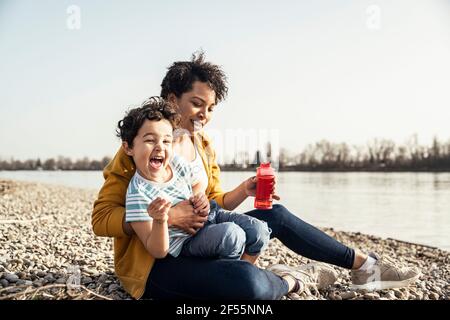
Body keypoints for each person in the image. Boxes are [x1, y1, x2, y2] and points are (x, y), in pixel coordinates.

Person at [92, 52, 420, 300]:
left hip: (202, 237)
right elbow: (101, 218)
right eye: (196, 103)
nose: (204, 114)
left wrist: (244, 190)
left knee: (273, 214)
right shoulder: (142, 151)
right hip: (159, 263)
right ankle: (293, 279)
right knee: (245, 284)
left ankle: (366, 266)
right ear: (171, 100)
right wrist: (167, 217)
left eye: (210, 107)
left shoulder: (202, 145)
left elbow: (212, 203)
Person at [117, 97, 271, 264]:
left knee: (259, 230)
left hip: (211, 214)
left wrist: (199, 196)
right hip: (186, 240)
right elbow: (157, 250)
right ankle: (234, 271)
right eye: (150, 140)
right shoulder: (136, 194)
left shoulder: (175, 163)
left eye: (166, 141)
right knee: (232, 235)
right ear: (128, 148)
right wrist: (161, 221)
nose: (160, 147)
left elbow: (197, 183)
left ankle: (246, 268)